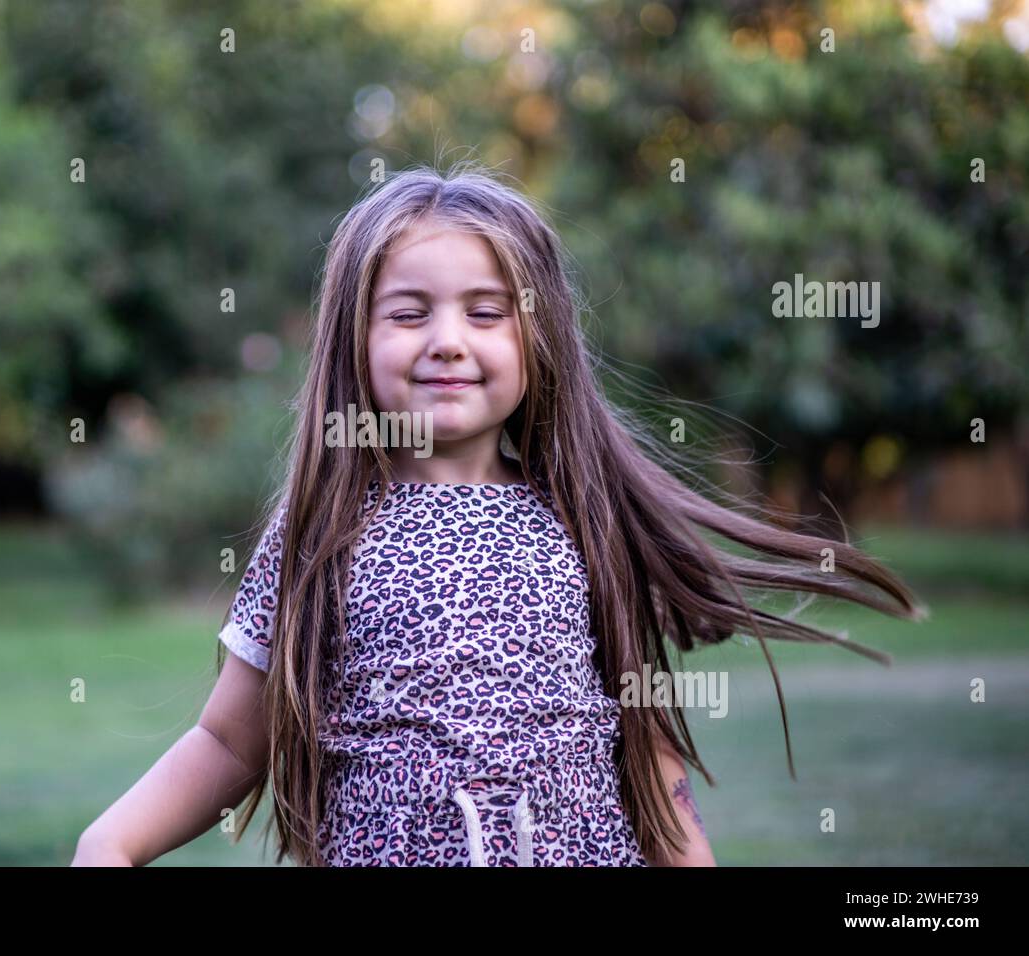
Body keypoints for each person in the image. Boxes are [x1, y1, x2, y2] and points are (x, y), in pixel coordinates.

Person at [72, 162, 927, 867]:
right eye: (409, 313)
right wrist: (111, 841)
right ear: (354, 342)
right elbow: (229, 743)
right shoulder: (320, 532)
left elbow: (651, 762)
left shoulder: (586, 520)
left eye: (485, 313)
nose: (448, 339)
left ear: (538, 336)